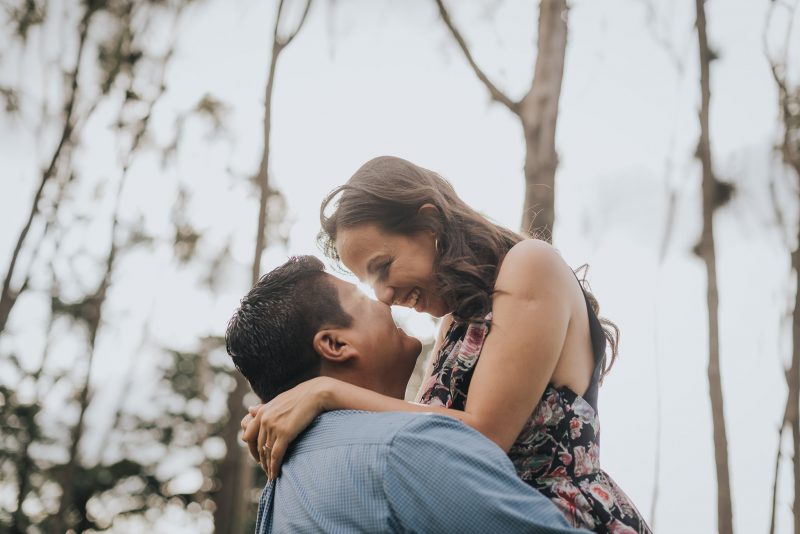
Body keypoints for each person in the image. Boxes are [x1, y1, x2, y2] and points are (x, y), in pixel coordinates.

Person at [244, 156, 652, 534]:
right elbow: (429, 440)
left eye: (383, 267)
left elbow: (483, 439)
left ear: (430, 223)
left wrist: (325, 392)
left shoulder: (531, 264)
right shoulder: (454, 325)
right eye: (370, 282)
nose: (383, 296)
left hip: (565, 520)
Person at [226, 255, 588, 534]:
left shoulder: (280, 489)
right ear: (336, 344)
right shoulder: (402, 448)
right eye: (361, 296)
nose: (384, 301)